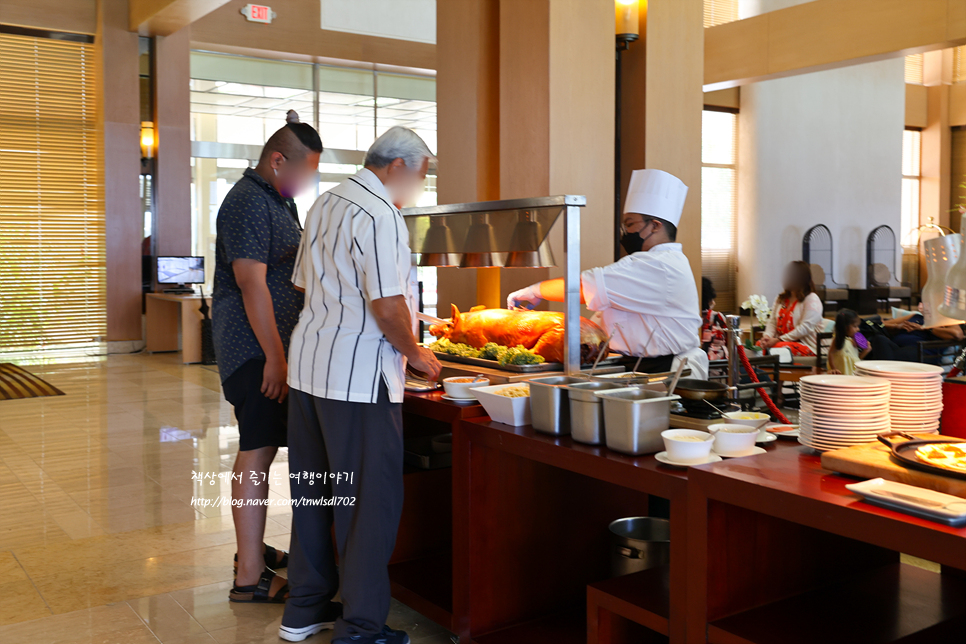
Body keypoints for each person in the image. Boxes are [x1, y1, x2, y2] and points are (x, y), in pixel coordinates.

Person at [279, 127, 441, 644]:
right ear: (398, 167)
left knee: (313, 496)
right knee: (367, 504)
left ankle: (303, 609)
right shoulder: (381, 213)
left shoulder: (326, 203)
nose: (417, 186)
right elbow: (387, 305)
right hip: (356, 378)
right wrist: (416, 354)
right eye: (421, 175)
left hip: (308, 369)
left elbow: (305, 283)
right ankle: (361, 629)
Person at [212, 110, 323, 605]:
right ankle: (249, 578)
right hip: (253, 351)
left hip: (271, 348)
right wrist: (276, 360)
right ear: (277, 161)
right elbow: (251, 284)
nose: (305, 183)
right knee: (257, 449)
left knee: (265, 446)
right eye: (302, 172)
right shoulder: (247, 203)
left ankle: (251, 553)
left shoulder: (276, 201)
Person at [507, 169, 708, 379]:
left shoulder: (658, 265)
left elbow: (583, 287)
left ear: (655, 226)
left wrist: (534, 291)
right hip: (637, 366)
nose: (625, 232)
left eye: (630, 224)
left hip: (664, 371)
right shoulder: (651, 262)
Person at [758, 260, 824, 357]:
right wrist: (767, 337)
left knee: (778, 349)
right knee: (758, 346)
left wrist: (779, 339)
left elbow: (805, 328)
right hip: (780, 342)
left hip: (806, 345)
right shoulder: (781, 298)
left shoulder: (811, 298)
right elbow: (772, 322)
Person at [869, 302, 964, 362]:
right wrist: (897, 326)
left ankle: (882, 375)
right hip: (896, 347)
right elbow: (880, 324)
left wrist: (925, 328)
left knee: (887, 355)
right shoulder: (915, 317)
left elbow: (958, 334)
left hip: (921, 352)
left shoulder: (944, 320)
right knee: (879, 339)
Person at [827, 309, 870, 375]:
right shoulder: (838, 340)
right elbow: (831, 354)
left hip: (852, 374)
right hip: (841, 375)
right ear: (845, 327)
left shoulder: (853, 342)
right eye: (855, 326)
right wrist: (834, 369)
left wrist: (866, 351)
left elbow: (856, 359)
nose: (858, 329)